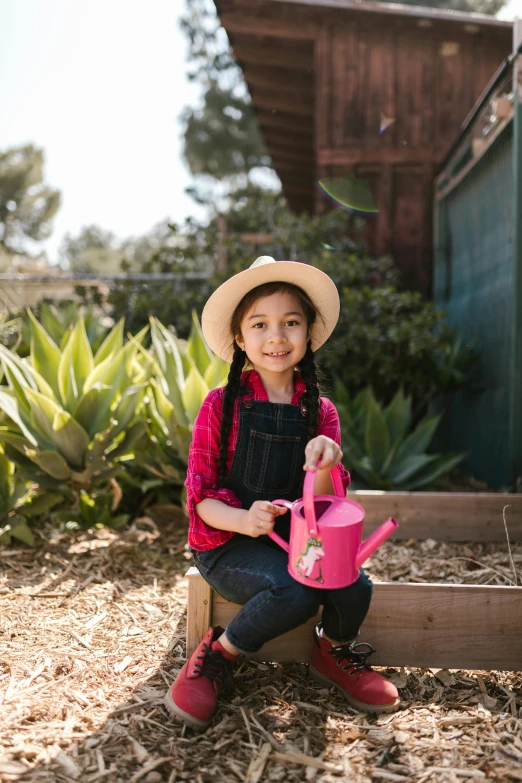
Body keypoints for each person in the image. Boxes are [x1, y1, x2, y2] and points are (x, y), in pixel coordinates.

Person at [164, 256, 399, 729]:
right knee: (294, 589)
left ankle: (333, 651)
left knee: (354, 583)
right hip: (227, 543)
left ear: (309, 332)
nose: (276, 336)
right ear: (239, 338)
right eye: (260, 324)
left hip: (300, 539)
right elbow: (200, 498)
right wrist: (242, 519)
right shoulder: (221, 406)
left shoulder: (321, 412)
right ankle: (220, 654)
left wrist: (327, 462)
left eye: (290, 322)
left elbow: (330, 504)